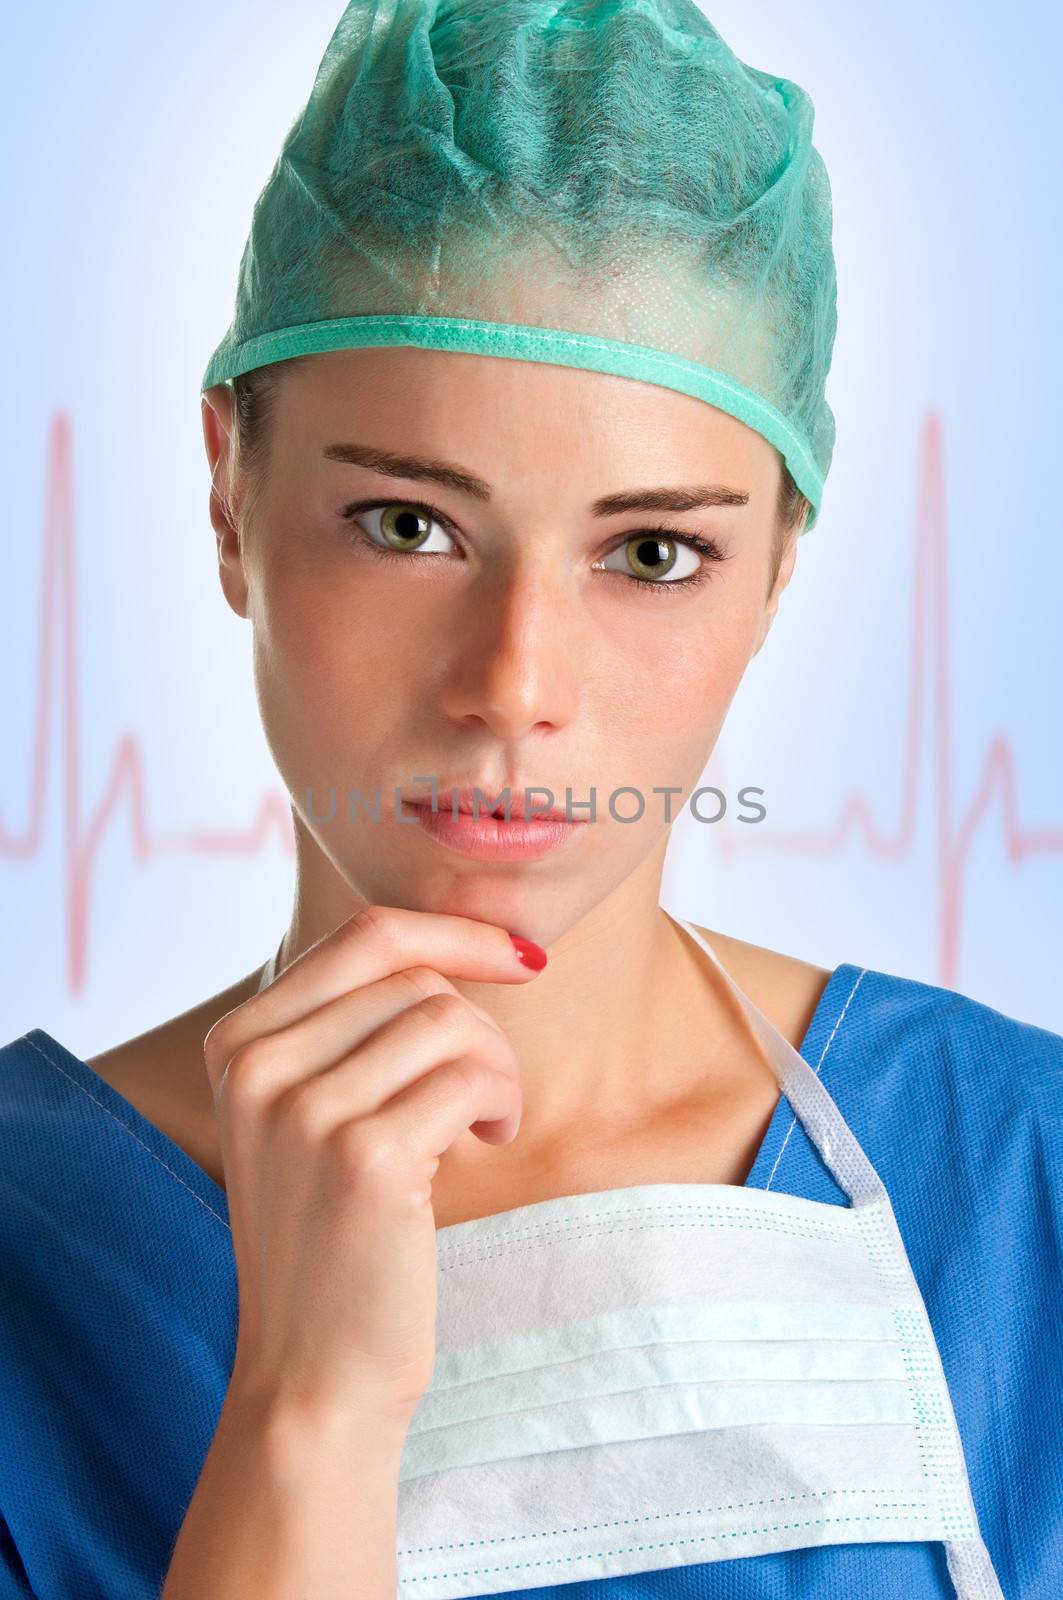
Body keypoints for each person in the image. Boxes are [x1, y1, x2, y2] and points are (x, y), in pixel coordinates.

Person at [1, 1, 1059, 1596]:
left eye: (652, 553)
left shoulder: (1019, 1179)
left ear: (775, 571)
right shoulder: (28, 1253)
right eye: (408, 524)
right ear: (230, 496)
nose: (512, 682)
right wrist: (310, 1412)